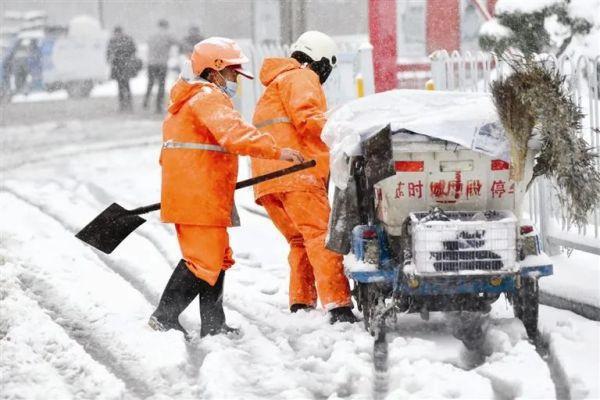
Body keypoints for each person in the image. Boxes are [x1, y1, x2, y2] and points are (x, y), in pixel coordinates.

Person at [148, 37, 304, 339]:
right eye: (232, 73)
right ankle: (164, 317)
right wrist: (278, 151)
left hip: (202, 191)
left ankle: (213, 323)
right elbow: (235, 134)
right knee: (203, 260)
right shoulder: (206, 96)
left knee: (217, 257)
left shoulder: (193, 97)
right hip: (198, 193)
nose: (235, 80)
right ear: (214, 70)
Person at [250, 31, 357, 324]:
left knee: (300, 240)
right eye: (326, 69)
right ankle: (339, 306)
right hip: (297, 176)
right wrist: (345, 131)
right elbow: (309, 118)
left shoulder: (274, 85)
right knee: (322, 238)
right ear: (318, 61)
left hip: (268, 181)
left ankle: (301, 302)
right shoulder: (300, 77)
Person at [143, 19, 178, 113]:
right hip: (162, 63)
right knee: (161, 85)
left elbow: (148, 44)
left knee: (150, 83)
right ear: (166, 25)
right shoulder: (168, 34)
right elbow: (177, 42)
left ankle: (146, 101)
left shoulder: (151, 34)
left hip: (151, 63)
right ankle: (158, 105)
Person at [106, 26, 137, 111]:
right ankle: (127, 105)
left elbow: (108, 53)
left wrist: (110, 60)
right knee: (125, 85)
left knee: (123, 86)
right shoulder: (127, 39)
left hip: (119, 66)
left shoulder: (113, 41)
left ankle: (124, 105)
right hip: (124, 65)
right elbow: (134, 50)